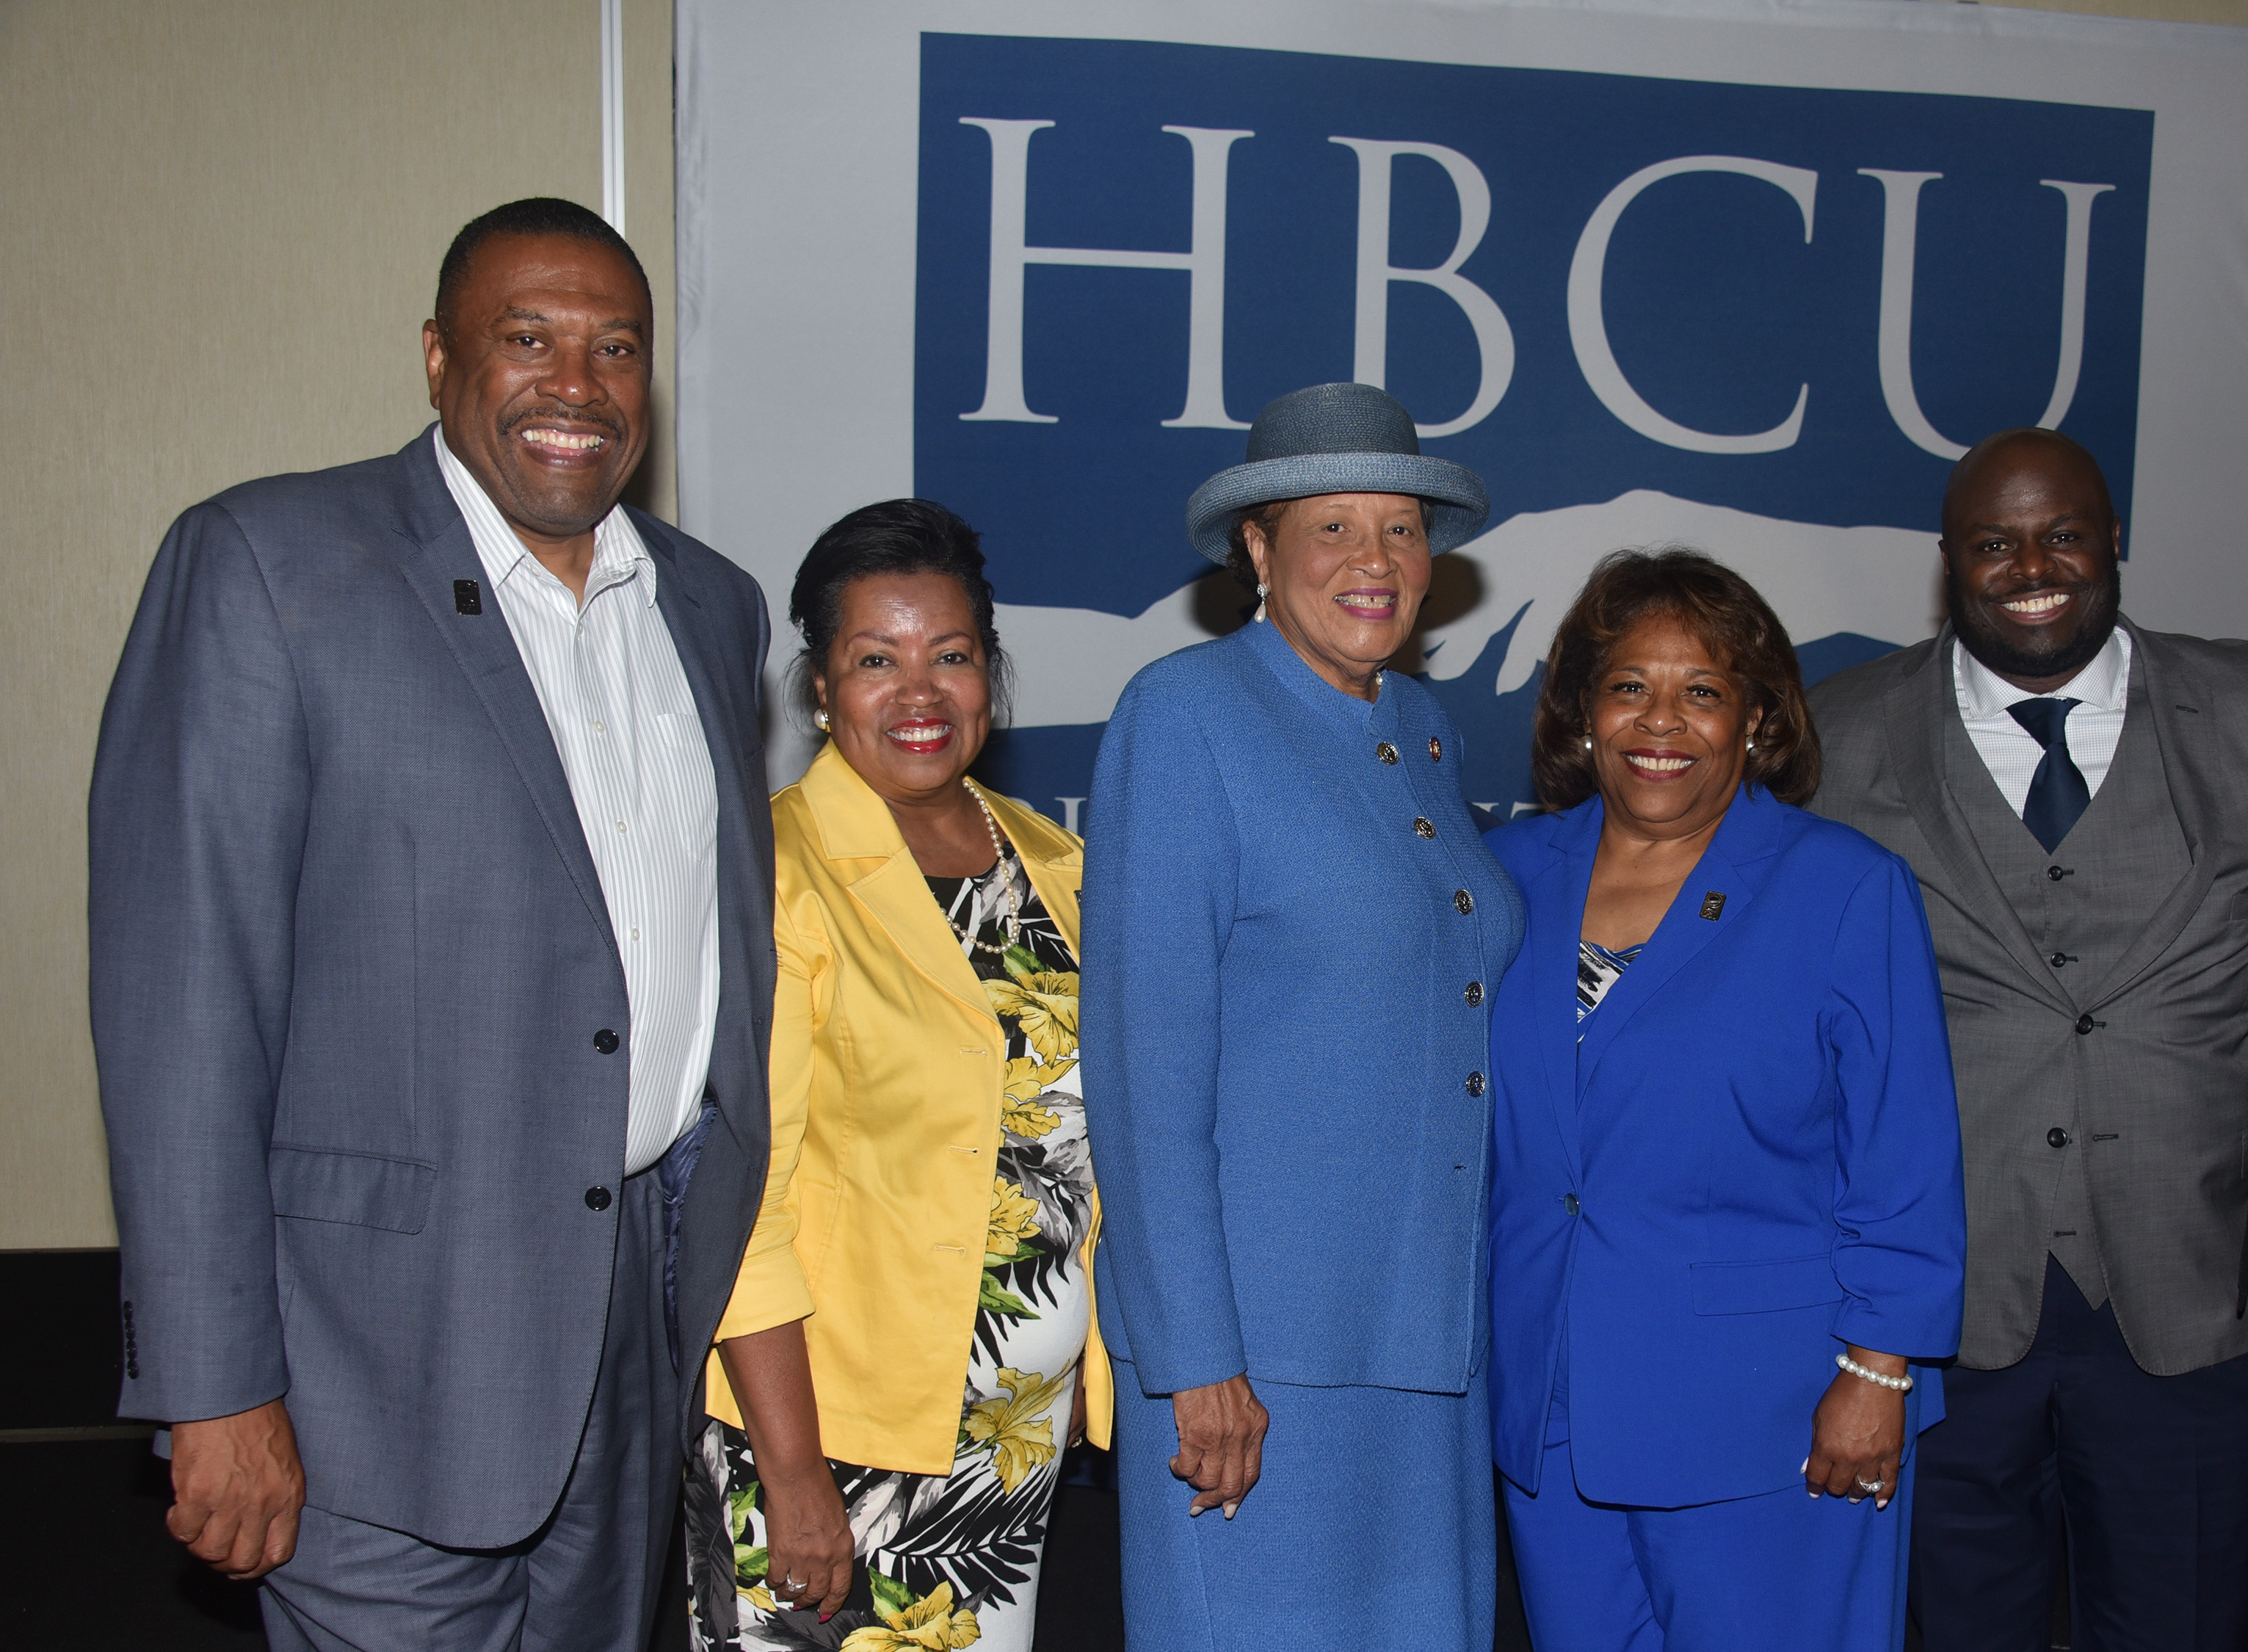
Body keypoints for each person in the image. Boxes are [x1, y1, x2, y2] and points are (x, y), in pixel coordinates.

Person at [88, 198, 772, 1649]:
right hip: (366, 1367)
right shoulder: (270, 568)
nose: (576, 384)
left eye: (615, 348)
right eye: (527, 338)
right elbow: (183, 1008)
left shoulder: (709, 607)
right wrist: (215, 1388)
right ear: (435, 355)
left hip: (630, 1335)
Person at [1808, 427, 2248, 1651]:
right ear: (1950, 563)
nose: (2030, 564)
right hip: (1942, 1308)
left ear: (2115, 545)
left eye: (2064, 535)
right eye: (1993, 542)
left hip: (2200, 1301)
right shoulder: (1833, 739)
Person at [1081, 382, 1526, 1651]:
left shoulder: (1421, 728)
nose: (1375, 560)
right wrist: (1198, 1361)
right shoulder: (1186, 716)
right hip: (1262, 1366)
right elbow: (1142, 1076)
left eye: (1400, 527)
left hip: (1426, 1341)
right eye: (1331, 527)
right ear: (1258, 553)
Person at [1484, 548, 1968, 1652]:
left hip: (1774, 1419)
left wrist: (1877, 1371)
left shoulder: (1844, 888)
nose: (1663, 721)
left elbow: (1906, 1157)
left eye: (1702, 690)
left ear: (1755, 719)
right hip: (1552, 1409)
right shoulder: (1505, 873)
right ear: (1582, 711)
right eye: (1628, 686)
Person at [681, 500, 1111, 1649]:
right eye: (876, 660)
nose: (919, 694)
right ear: (819, 685)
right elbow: (742, 1204)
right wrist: (794, 1475)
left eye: (951, 656)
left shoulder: (1058, 861)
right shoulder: (775, 874)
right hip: (834, 1446)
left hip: (1009, 1442)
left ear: (991, 674)